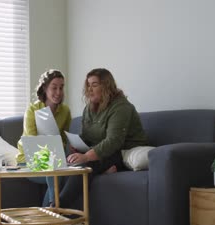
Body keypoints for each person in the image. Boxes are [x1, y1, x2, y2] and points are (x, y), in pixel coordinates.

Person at [59, 68, 148, 208]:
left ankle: (57, 208)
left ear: (106, 86)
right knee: (68, 161)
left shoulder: (121, 107)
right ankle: (56, 206)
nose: (89, 89)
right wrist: (77, 146)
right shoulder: (89, 108)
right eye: (88, 85)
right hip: (100, 150)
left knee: (84, 166)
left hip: (121, 150)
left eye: (94, 85)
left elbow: (114, 141)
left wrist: (86, 156)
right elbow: (87, 136)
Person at [16, 69, 71, 207]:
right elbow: (31, 140)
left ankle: (48, 212)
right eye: (54, 87)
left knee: (58, 171)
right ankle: (52, 211)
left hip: (53, 159)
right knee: (54, 171)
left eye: (61, 87)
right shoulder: (32, 109)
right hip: (27, 160)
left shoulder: (65, 111)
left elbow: (64, 140)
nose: (58, 92)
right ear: (45, 88)